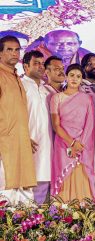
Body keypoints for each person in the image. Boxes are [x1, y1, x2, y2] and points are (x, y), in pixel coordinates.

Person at [50, 64, 95, 202]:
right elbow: (56, 125)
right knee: (63, 178)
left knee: (81, 178)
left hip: (82, 146)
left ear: (82, 79)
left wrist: (79, 144)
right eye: (72, 75)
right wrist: (71, 143)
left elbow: (90, 125)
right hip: (63, 144)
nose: (74, 79)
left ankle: (83, 216)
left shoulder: (86, 99)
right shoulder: (56, 98)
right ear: (66, 76)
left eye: (78, 76)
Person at [0, 35, 36, 203]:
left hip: (19, 144)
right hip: (5, 146)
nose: (14, 53)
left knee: (23, 195)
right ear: (0, 53)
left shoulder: (15, 76)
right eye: (9, 49)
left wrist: (24, 136)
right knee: (5, 193)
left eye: (17, 50)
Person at [21, 50, 53, 204]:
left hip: (46, 148)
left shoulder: (47, 90)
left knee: (43, 183)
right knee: (25, 189)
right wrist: (22, 137)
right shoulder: (20, 86)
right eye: (36, 63)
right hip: (27, 145)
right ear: (25, 66)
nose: (41, 67)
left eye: (42, 64)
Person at [80, 52, 95, 200]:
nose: (94, 66)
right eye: (90, 64)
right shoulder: (78, 87)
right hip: (86, 140)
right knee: (88, 175)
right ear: (83, 68)